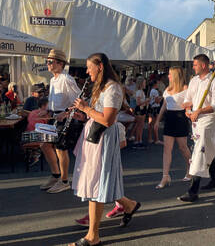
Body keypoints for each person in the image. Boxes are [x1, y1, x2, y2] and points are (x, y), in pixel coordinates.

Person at [69, 53, 140, 246]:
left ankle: (93, 236)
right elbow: (97, 115)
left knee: (97, 184)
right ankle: (129, 205)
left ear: (99, 66)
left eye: (89, 67)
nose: (86, 71)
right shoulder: (102, 88)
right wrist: (81, 114)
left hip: (103, 140)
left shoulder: (113, 89)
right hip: (95, 138)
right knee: (100, 181)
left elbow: (108, 120)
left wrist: (85, 108)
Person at [178, 54, 215, 202]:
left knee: (199, 152)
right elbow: (188, 99)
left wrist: (199, 111)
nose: (193, 67)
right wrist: (188, 109)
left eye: (195, 64)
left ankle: (193, 190)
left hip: (208, 120)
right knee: (205, 148)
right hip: (195, 121)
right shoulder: (194, 81)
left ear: (203, 65)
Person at [39, 49, 82, 194]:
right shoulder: (53, 79)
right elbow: (53, 100)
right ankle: (55, 175)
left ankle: (64, 181)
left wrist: (65, 112)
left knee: (60, 150)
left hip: (65, 119)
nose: (48, 64)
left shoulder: (67, 79)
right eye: (47, 61)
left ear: (60, 63)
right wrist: (48, 110)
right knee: (44, 145)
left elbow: (79, 101)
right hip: (55, 118)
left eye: (50, 62)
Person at [154, 66, 192, 189]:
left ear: (175, 75)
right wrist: (157, 121)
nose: (168, 76)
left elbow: (189, 104)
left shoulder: (185, 88)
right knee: (167, 149)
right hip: (169, 119)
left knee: (183, 147)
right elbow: (164, 106)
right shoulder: (167, 89)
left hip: (180, 118)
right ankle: (165, 176)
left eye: (170, 74)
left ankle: (190, 168)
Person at [133, 76, 149, 148]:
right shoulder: (139, 92)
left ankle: (139, 141)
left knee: (140, 126)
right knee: (139, 126)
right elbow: (138, 103)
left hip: (142, 109)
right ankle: (137, 141)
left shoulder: (140, 91)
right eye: (144, 82)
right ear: (141, 83)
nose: (145, 84)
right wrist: (147, 100)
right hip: (140, 110)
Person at [148, 80, 163, 144]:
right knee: (156, 123)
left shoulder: (151, 91)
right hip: (156, 108)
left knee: (151, 124)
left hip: (151, 107)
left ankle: (150, 138)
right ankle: (156, 139)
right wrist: (162, 97)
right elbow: (157, 101)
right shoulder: (155, 91)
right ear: (155, 84)